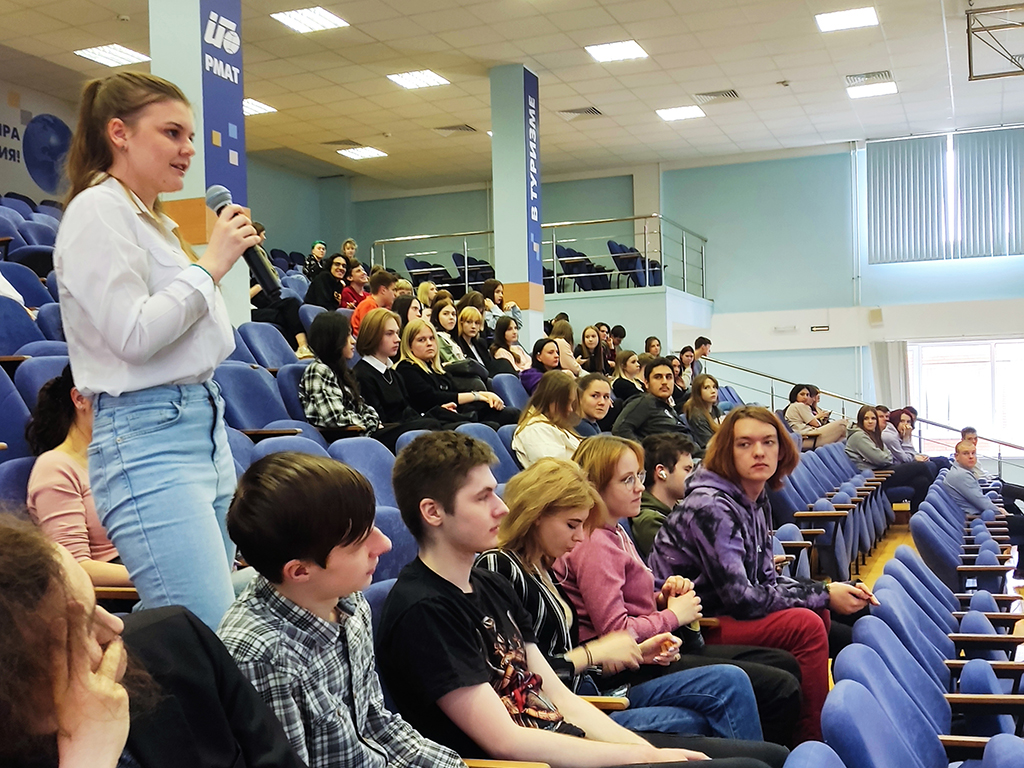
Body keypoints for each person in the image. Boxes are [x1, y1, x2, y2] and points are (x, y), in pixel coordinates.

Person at [378, 432, 783, 768]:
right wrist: (640, 757)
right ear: (433, 512)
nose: (501, 507)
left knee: (771, 757)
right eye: (482, 497)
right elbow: (506, 742)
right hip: (532, 762)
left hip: (564, 741)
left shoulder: (490, 585)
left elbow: (560, 696)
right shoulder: (424, 609)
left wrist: (644, 751)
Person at [55, 72, 252, 628]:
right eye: (172, 133)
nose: (188, 149)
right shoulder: (97, 210)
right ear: (119, 133)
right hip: (147, 434)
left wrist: (206, 271)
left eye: (190, 136)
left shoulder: (157, 222)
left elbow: (209, 337)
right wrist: (210, 267)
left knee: (216, 626)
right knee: (204, 630)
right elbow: (134, 335)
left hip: (201, 422)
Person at [477, 459, 785, 754]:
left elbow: (559, 661)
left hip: (591, 690)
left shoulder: (543, 567)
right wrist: (596, 652)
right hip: (574, 711)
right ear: (536, 515)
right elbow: (522, 679)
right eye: (572, 525)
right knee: (730, 702)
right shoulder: (500, 567)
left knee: (731, 684)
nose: (579, 536)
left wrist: (634, 652)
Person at [217, 453, 463, 768]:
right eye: (359, 543)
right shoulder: (262, 655)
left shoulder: (348, 601)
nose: (385, 544)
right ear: (300, 571)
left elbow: (377, 724)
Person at [0, 515, 305, 768]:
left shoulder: (178, 642)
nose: (116, 626)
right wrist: (89, 760)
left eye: (95, 605)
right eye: (79, 632)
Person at [648, 407, 878, 743]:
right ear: (727, 452)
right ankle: (812, 742)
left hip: (721, 611)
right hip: (691, 627)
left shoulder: (753, 497)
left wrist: (828, 590)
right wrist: (824, 594)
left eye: (768, 442)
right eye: (745, 444)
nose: (759, 452)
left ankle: (816, 732)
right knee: (807, 624)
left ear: (781, 450)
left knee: (819, 611)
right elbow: (741, 598)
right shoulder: (712, 505)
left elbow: (766, 579)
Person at [556, 436, 803, 747]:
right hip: (628, 669)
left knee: (783, 666)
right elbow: (616, 634)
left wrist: (661, 598)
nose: (639, 487)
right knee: (777, 687)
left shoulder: (615, 531)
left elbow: (627, 603)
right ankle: (772, 756)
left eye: (639, 476)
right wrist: (673, 616)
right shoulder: (595, 545)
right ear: (595, 487)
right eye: (627, 480)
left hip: (654, 649)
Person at [26, 365, 132, 587]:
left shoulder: (127, 458)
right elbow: (74, 567)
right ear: (80, 399)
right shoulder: (55, 466)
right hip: (117, 590)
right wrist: (160, 577)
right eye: (118, 398)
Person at [301, 311, 428, 451]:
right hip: (353, 439)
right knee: (425, 427)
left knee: (430, 425)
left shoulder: (342, 372)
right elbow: (333, 418)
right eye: (347, 336)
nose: (353, 341)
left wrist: (371, 421)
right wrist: (370, 423)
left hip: (365, 433)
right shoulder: (318, 370)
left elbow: (364, 408)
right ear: (333, 339)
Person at [396, 319, 516, 426]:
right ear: (409, 346)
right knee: (490, 425)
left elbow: (452, 393)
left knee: (511, 414)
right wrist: (478, 395)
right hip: (433, 422)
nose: (429, 343)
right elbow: (431, 398)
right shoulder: (406, 369)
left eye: (432, 338)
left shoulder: (436, 369)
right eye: (421, 340)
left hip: (454, 414)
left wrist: (484, 397)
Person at [353, 308, 441, 425]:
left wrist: (437, 413)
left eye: (397, 333)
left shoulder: (393, 374)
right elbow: (379, 421)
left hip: (406, 427)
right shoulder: (361, 375)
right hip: (388, 432)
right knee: (432, 424)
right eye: (389, 334)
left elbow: (409, 413)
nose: (398, 339)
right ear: (372, 336)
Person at [845, 405, 933, 513]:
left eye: (873, 418)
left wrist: (886, 456)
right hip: (875, 477)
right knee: (921, 467)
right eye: (866, 418)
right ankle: (937, 503)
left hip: (882, 470)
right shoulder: (858, 436)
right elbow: (883, 459)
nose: (870, 421)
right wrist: (886, 456)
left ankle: (918, 516)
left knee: (922, 481)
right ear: (860, 420)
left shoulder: (873, 434)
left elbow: (887, 456)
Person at [248, 222, 313, 358]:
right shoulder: (237, 272)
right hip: (247, 311)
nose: (264, 238)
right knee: (288, 309)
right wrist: (260, 285)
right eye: (262, 234)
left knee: (290, 308)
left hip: (261, 304)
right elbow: (242, 299)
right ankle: (302, 347)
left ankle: (302, 349)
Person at [632, 434, 697, 560]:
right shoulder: (650, 522)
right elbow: (682, 563)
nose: (694, 476)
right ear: (661, 472)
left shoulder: (678, 509)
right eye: (687, 469)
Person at [512, 370, 583, 467]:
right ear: (551, 400)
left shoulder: (555, 424)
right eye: (566, 403)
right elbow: (554, 470)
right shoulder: (535, 430)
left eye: (571, 403)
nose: (570, 409)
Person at [613, 358, 692, 444]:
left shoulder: (668, 407)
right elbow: (619, 429)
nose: (664, 382)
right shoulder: (644, 402)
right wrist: (642, 450)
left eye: (669, 377)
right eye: (658, 377)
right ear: (646, 383)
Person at [783, 385, 847, 450]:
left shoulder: (792, 406)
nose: (805, 397)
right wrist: (819, 417)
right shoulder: (800, 405)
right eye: (802, 394)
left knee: (842, 438)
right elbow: (816, 424)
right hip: (809, 438)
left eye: (807, 395)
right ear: (795, 395)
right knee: (843, 423)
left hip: (805, 438)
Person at [683, 374, 723, 457]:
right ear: (698, 392)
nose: (713, 391)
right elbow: (709, 444)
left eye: (714, 387)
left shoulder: (716, 410)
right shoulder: (697, 415)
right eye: (706, 388)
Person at [352, 269, 398, 335]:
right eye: (393, 290)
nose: (395, 294)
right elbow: (369, 333)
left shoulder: (381, 307)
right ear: (383, 290)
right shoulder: (368, 305)